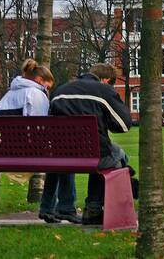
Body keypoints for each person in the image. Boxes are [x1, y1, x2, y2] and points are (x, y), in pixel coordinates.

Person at [49, 63, 133, 225]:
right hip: (94, 152)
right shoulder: (104, 91)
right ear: (106, 80)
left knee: (78, 148)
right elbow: (123, 124)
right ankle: (93, 206)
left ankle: (65, 206)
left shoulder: (59, 91)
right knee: (118, 155)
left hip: (62, 151)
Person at [0, 60, 79, 224]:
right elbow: (40, 127)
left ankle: (48, 209)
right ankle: (63, 207)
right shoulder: (35, 94)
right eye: (47, 87)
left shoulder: (7, 95)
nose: (47, 91)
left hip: (7, 151)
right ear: (40, 81)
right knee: (65, 158)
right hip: (30, 150)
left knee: (57, 160)